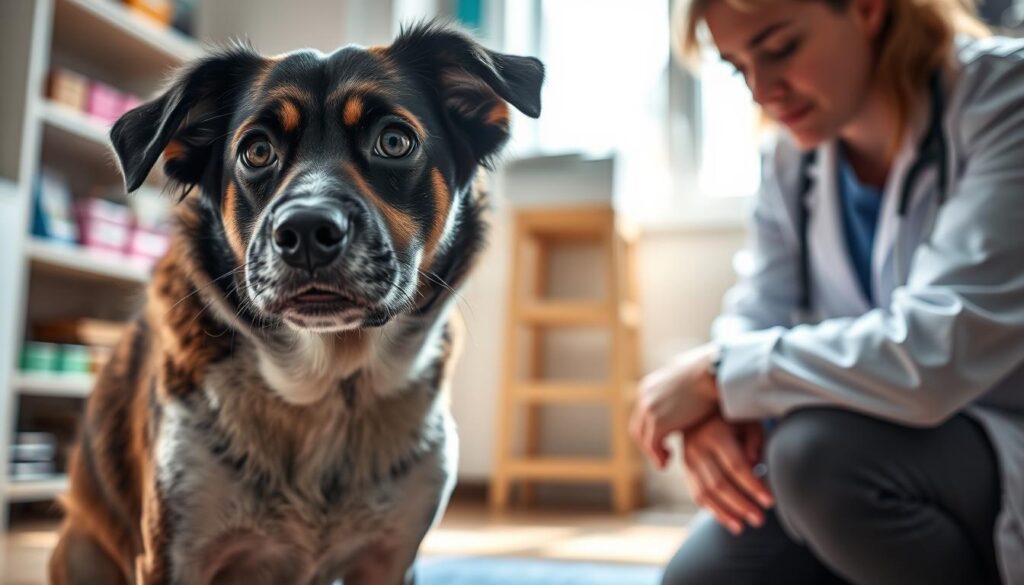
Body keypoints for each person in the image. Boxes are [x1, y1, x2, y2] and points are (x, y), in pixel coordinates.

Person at [629, 0, 1024, 582]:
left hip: (989, 440)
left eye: (780, 48)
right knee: (701, 577)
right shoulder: (792, 153)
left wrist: (718, 376)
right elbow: (757, 309)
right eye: (739, 68)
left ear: (867, 8)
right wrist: (718, 405)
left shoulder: (1004, 97)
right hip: (869, 450)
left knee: (814, 457)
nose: (762, 92)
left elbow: (939, 351)